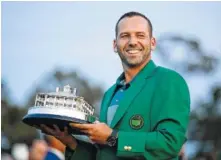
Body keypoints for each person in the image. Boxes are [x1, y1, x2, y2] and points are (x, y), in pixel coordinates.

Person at [40, 11, 190, 160]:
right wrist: (69, 141)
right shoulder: (110, 94)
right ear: (114, 44)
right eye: (125, 36)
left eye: (140, 35)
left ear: (152, 43)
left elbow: (170, 144)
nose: (132, 41)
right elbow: (105, 153)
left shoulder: (168, 80)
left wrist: (113, 137)